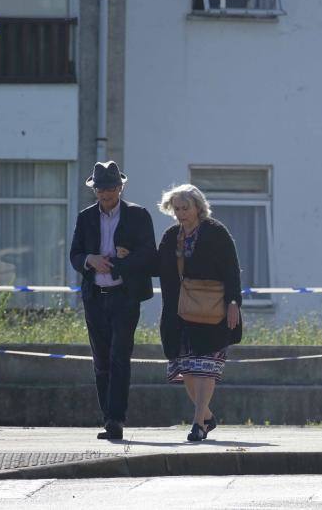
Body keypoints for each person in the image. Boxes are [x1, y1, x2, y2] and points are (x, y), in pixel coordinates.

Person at [69, 161, 156, 440]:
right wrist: (89, 260)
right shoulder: (85, 217)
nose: (105, 194)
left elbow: (149, 257)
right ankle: (107, 416)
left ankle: (116, 419)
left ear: (120, 187)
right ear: (94, 190)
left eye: (110, 188)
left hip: (125, 296)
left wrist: (123, 261)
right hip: (95, 297)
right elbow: (75, 255)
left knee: (120, 356)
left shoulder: (138, 216)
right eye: (100, 189)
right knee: (101, 359)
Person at [151, 183, 243, 442]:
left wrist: (234, 301)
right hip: (178, 314)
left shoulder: (216, 232)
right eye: (176, 208)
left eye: (185, 208)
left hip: (212, 313)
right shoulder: (171, 236)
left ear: (198, 207)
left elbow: (232, 270)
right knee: (187, 371)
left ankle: (197, 424)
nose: (181, 213)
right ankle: (206, 415)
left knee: (206, 369)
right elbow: (158, 266)